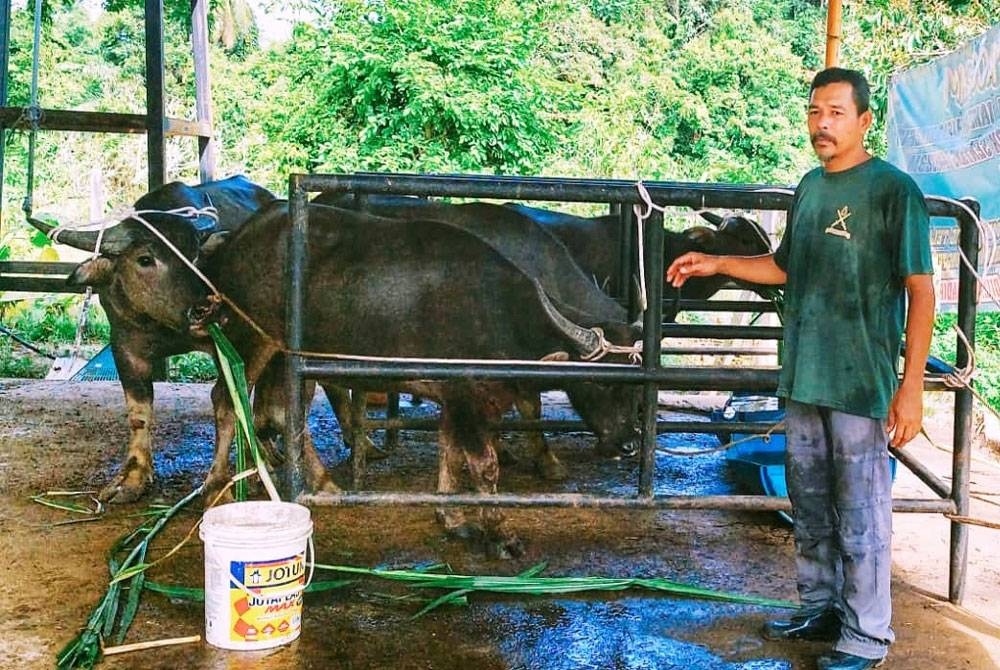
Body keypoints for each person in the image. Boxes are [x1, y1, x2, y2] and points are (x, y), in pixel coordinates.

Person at [665, 67, 935, 670]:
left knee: (861, 510)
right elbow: (784, 267)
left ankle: (867, 636)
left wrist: (910, 386)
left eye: (837, 112)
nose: (822, 123)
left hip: (859, 380)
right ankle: (821, 607)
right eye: (815, 111)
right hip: (804, 374)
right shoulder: (809, 188)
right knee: (810, 502)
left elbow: (923, 290)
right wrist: (717, 262)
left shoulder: (894, 192)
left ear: (865, 121)